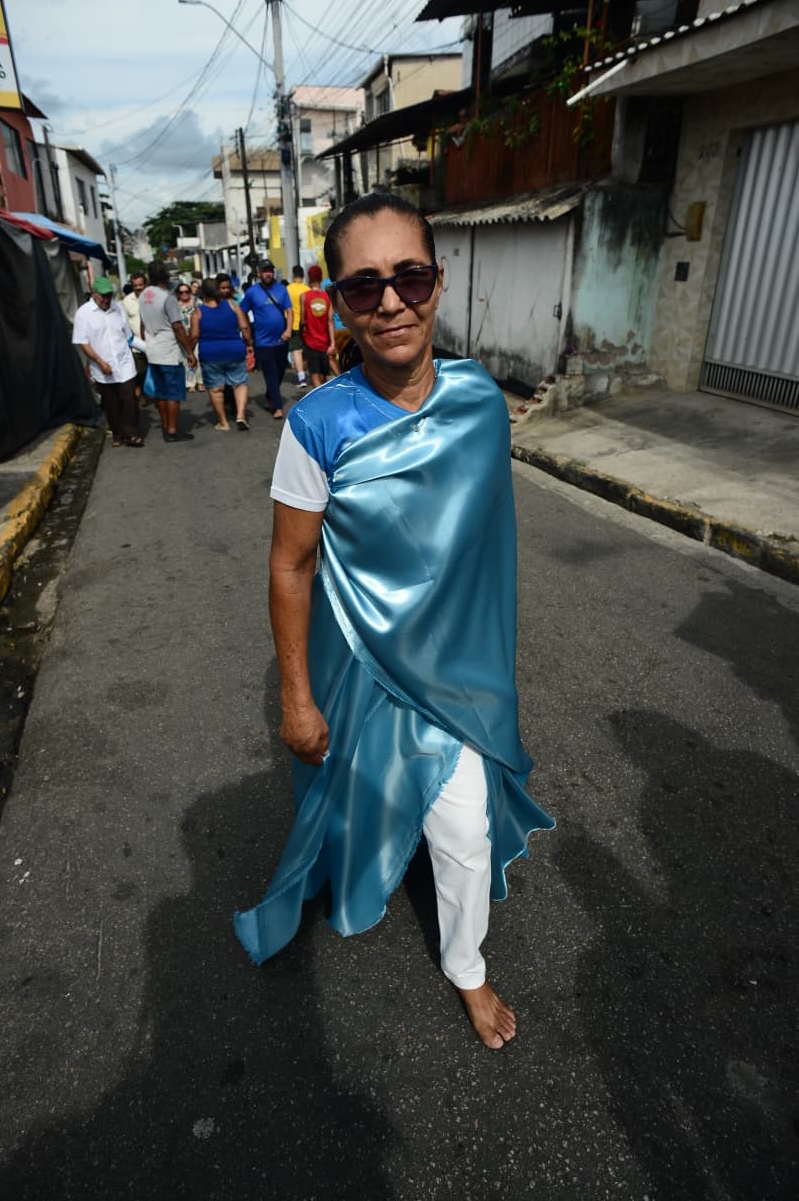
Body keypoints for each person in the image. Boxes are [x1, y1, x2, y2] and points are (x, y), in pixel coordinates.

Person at [234, 193, 554, 1049]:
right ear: (338, 302)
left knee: (461, 828)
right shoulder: (317, 424)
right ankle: (375, 880)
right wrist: (297, 698)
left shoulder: (480, 401)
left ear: (437, 283)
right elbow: (290, 563)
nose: (391, 302)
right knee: (361, 799)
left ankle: (468, 969)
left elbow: (485, 551)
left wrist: (488, 660)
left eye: (408, 277)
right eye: (364, 285)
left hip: (458, 673)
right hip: (366, 670)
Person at [72, 275, 143, 447]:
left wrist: (149, 349)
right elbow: (82, 342)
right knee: (111, 402)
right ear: (94, 294)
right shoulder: (84, 313)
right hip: (101, 366)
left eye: (109, 295)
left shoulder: (118, 308)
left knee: (129, 398)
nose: (106, 299)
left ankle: (131, 433)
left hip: (124, 362)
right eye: (103, 296)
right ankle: (117, 433)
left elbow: (128, 337)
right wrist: (98, 362)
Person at [139, 260, 196, 443]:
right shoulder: (168, 298)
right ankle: (172, 430)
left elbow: (142, 325)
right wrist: (190, 352)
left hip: (152, 350)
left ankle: (165, 425)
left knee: (160, 392)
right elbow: (178, 327)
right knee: (173, 393)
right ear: (165, 275)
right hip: (169, 351)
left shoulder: (143, 295)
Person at [189, 278, 255, 431]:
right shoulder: (233, 306)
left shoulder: (198, 312)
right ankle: (240, 416)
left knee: (215, 388)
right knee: (239, 384)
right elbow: (244, 327)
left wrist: (190, 352)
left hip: (210, 354)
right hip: (234, 350)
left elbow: (194, 336)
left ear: (203, 293)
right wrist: (249, 343)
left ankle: (223, 422)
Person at [240, 260, 293, 419]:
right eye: (264, 271)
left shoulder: (282, 289)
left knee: (281, 371)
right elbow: (242, 311)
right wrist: (247, 332)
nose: (268, 273)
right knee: (271, 373)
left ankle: (271, 395)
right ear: (259, 273)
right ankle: (277, 406)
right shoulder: (252, 292)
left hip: (281, 339)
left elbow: (289, 311)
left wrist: (289, 329)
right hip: (263, 341)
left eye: (270, 270)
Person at [299, 264, 335, 388]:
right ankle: (324, 398)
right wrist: (332, 343)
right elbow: (330, 320)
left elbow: (303, 320)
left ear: (309, 278)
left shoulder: (304, 296)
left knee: (314, 374)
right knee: (323, 375)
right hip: (324, 341)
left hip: (310, 340)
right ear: (320, 278)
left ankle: (320, 400)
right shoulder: (327, 297)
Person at [122, 271, 148, 398]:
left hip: (155, 342)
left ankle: (154, 395)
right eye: (135, 285)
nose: (138, 288)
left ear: (145, 284)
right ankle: (140, 391)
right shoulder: (127, 301)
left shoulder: (152, 297)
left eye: (140, 285)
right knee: (139, 371)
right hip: (137, 344)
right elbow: (123, 323)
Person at [286, 264, 310, 389]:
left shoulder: (288, 289)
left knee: (296, 350)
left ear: (293, 275)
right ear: (303, 275)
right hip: (307, 324)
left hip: (293, 324)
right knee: (306, 350)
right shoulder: (307, 289)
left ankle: (301, 377)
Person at [175, 282, 203, 392]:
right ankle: (190, 383)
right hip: (183, 336)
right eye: (181, 292)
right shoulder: (175, 305)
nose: (184, 294)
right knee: (186, 359)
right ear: (178, 293)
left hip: (196, 334)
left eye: (186, 291)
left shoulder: (197, 302)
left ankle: (200, 382)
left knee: (198, 358)